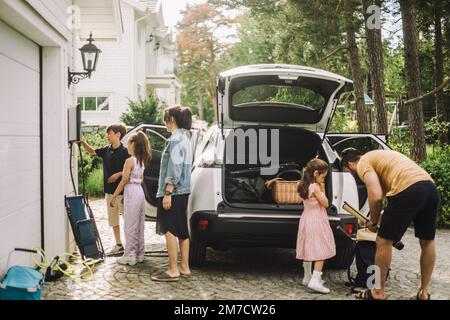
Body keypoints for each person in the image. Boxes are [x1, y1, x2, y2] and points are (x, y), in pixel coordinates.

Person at [341, 148, 439, 300]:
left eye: (348, 171)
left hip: (408, 189)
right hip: (429, 188)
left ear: (351, 164)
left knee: (383, 240)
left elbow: (376, 197)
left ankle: (377, 292)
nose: (352, 175)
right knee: (427, 241)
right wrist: (374, 219)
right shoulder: (381, 159)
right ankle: (423, 292)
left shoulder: (363, 163)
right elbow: (390, 205)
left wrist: (373, 222)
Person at [151, 105, 193, 282]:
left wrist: (168, 192)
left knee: (169, 230)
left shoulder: (175, 140)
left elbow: (174, 168)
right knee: (182, 231)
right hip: (183, 192)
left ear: (172, 120)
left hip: (173, 192)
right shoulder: (186, 138)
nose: (164, 123)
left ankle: (173, 270)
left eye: (166, 119)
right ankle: (185, 267)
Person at [80, 124, 129, 255]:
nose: (107, 136)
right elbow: (91, 151)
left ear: (118, 134)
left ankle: (130, 246)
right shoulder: (106, 150)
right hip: (109, 193)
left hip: (123, 194)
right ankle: (119, 245)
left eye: (110, 133)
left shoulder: (126, 152)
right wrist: (81, 142)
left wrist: (118, 174)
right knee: (113, 221)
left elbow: (131, 171)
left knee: (127, 221)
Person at [110, 131, 151, 266]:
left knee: (130, 224)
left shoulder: (129, 160)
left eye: (128, 142)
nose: (126, 145)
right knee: (139, 224)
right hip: (139, 192)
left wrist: (114, 197)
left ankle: (130, 255)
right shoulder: (141, 160)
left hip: (132, 192)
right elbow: (141, 179)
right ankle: (139, 253)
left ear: (133, 144)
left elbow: (124, 180)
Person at [296, 158, 336, 294]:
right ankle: (315, 279)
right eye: (323, 176)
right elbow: (325, 203)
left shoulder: (302, 185)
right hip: (317, 219)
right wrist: (322, 188)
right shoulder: (315, 187)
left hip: (306, 218)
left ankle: (307, 277)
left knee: (309, 246)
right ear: (316, 174)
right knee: (321, 249)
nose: (323, 179)